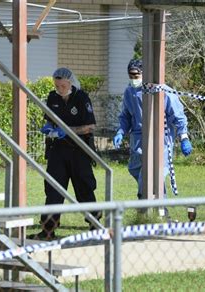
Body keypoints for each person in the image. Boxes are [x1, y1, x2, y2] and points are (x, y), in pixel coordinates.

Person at [30, 67, 101, 240]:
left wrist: (68, 131)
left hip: (79, 150)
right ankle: (48, 230)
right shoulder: (52, 97)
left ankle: (95, 226)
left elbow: (90, 126)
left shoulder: (81, 97)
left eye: (63, 86)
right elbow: (49, 120)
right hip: (58, 151)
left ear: (71, 82)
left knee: (84, 188)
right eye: (57, 85)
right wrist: (49, 128)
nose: (59, 89)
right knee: (53, 190)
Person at [113, 59, 193, 207]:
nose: (133, 79)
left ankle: (153, 209)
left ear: (145, 74)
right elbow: (126, 116)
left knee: (154, 174)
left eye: (136, 75)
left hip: (160, 139)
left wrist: (184, 137)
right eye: (130, 76)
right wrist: (121, 131)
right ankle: (154, 208)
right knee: (136, 170)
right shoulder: (130, 92)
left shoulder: (164, 92)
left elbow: (179, 116)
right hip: (138, 139)